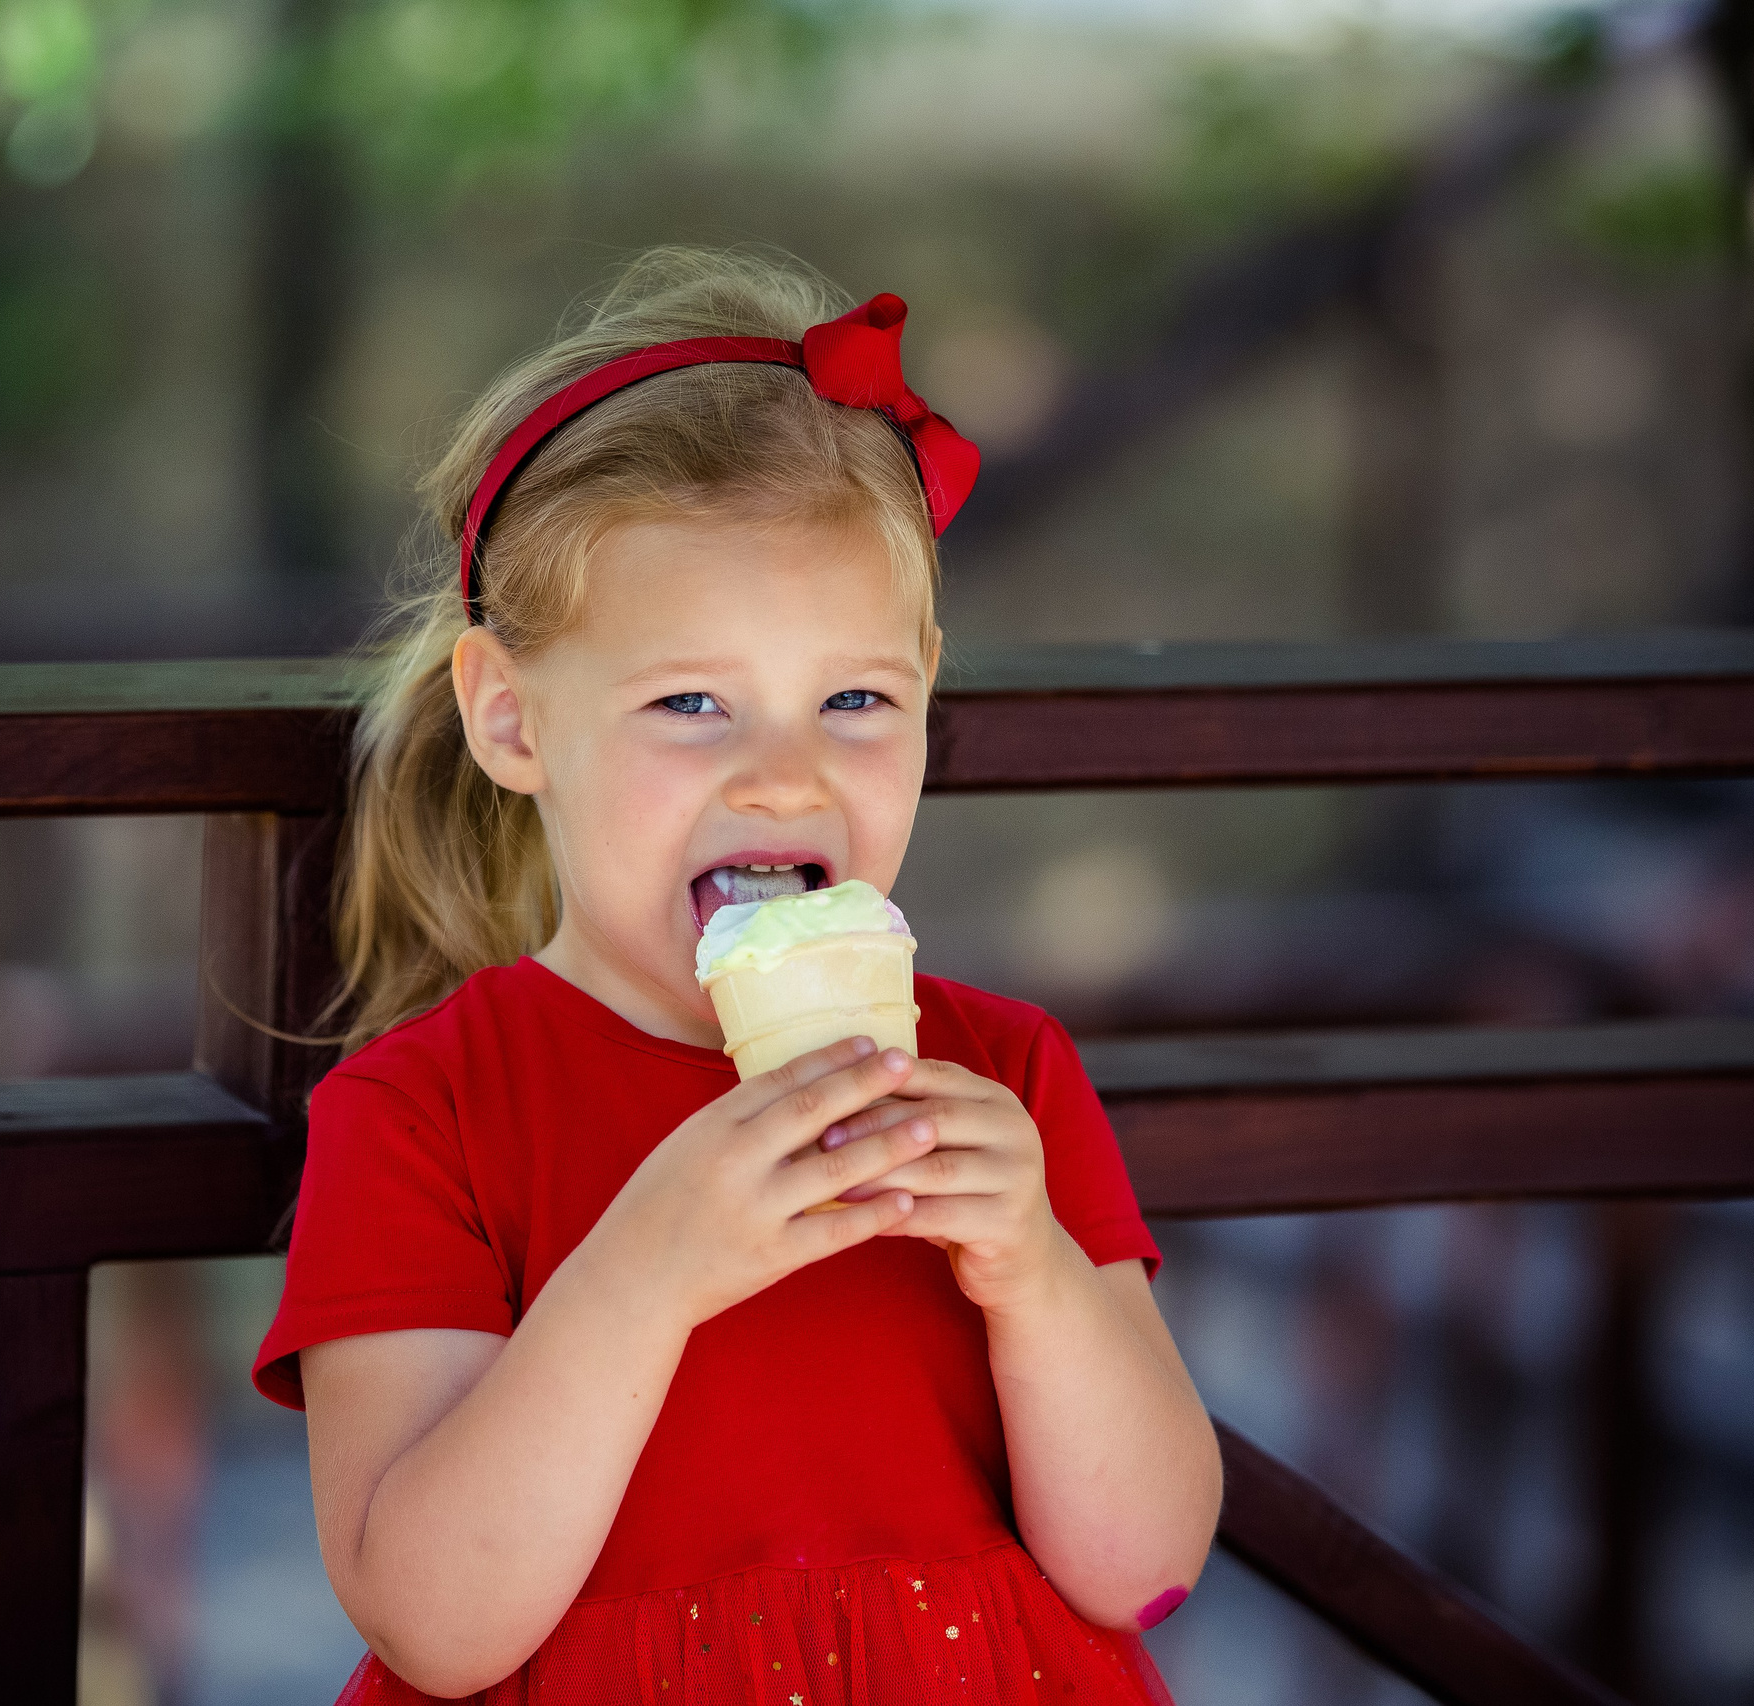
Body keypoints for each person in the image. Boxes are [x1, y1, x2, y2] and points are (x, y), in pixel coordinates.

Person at [251, 248, 1223, 1705]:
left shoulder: (1002, 1079)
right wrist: (643, 1273)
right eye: (692, 702)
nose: (784, 773)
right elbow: (435, 1624)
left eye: (855, 699)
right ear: (510, 719)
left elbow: (1145, 1562)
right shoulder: (422, 1113)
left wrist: (1034, 1270)